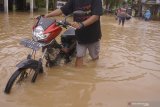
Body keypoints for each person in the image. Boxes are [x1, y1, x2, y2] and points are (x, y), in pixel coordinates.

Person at [45, 0, 103, 67]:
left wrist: (81, 24)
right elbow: (62, 10)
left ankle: (94, 70)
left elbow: (96, 16)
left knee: (94, 57)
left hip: (92, 35)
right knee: (79, 56)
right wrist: (47, 15)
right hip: (80, 35)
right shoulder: (74, 1)